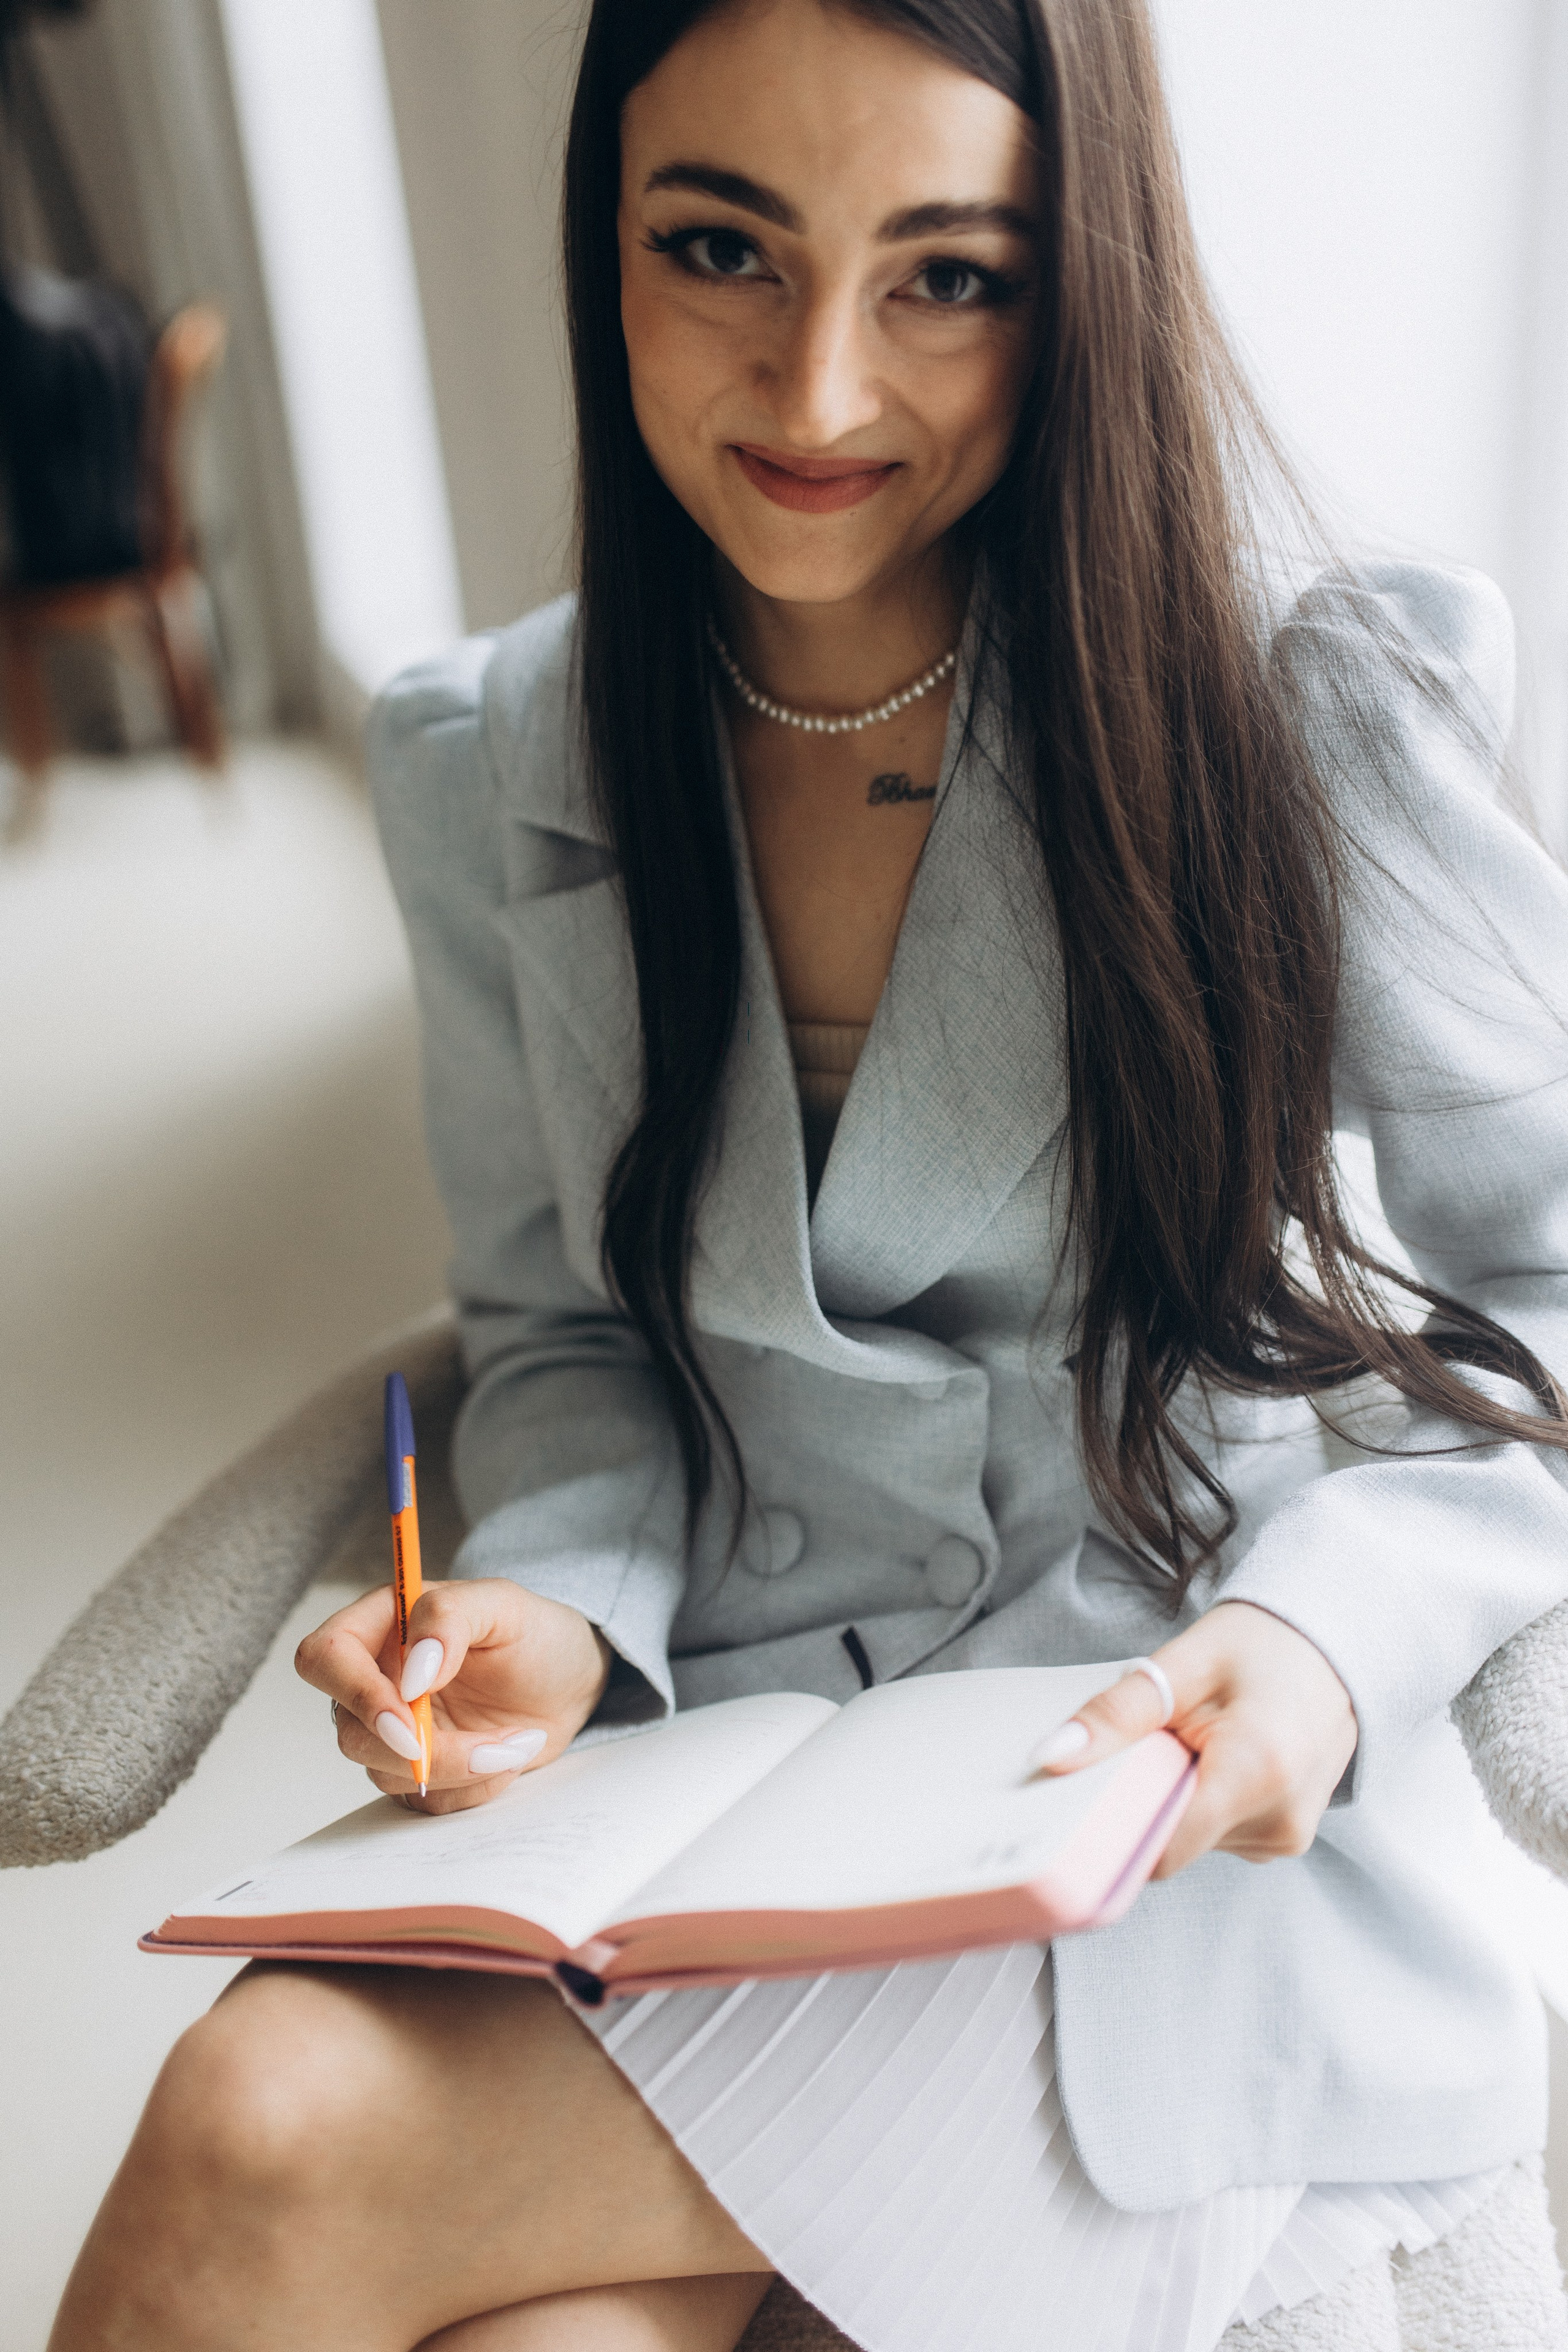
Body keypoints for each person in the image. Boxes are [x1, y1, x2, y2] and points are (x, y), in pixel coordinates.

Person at [50, 1, 1568, 2347]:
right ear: (607, 235)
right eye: (723, 248)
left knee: (263, 2145)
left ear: (1083, 278)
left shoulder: (1302, 690)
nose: (820, 390)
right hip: (715, 1805)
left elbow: (1544, 1297)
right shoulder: (490, 754)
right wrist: (547, 1607)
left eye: (948, 273)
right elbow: (560, 1328)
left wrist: (1319, 1642)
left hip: (1140, 1823)